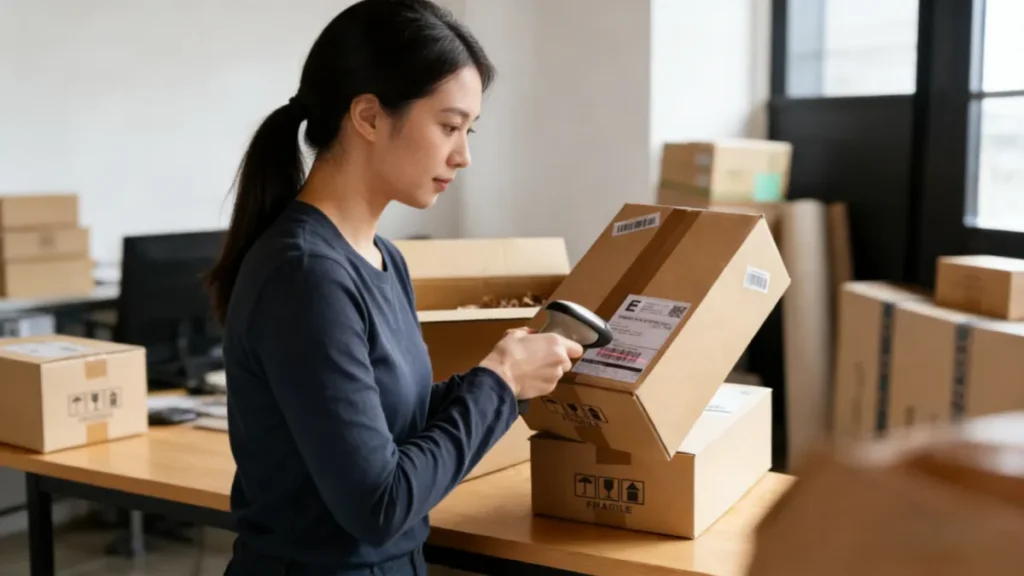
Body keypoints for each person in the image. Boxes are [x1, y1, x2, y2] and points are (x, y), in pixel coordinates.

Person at [203, 0, 584, 574]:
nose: (464, 155)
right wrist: (498, 384)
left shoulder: (383, 259)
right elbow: (379, 503)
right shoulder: (305, 275)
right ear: (370, 117)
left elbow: (390, 423)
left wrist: (504, 374)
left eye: (468, 130)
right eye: (450, 126)